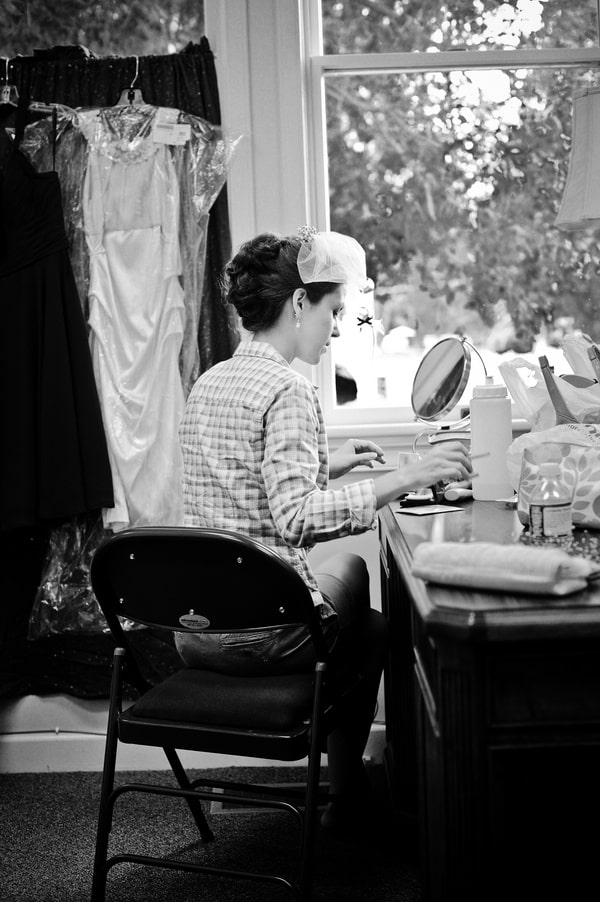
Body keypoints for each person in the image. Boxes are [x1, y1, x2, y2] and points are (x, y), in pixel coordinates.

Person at [177, 227, 472, 834]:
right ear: (298, 303)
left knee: (366, 622)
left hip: (194, 631)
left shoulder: (210, 381)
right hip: (260, 636)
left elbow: (243, 477)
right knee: (363, 596)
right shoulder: (288, 388)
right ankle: (349, 796)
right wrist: (408, 476)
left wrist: (327, 463)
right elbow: (296, 519)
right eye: (333, 311)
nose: (336, 329)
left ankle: (349, 792)